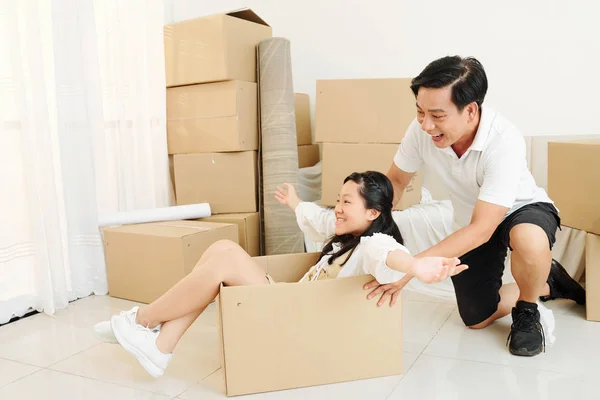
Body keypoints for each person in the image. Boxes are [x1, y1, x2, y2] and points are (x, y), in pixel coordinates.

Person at [95, 171, 468, 377]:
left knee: (225, 258)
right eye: (337, 200)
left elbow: (391, 255)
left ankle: (142, 321)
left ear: (373, 213)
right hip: (289, 300)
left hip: (300, 318)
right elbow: (317, 216)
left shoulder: (372, 245)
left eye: (346, 203)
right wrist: (293, 202)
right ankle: (161, 345)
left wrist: (417, 266)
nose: (337, 209)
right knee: (219, 249)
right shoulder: (344, 236)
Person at [365, 55, 585, 357]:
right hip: (472, 221)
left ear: (470, 111)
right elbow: (396, 181)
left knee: (528, 240)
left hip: (520, 210)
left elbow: (483, 229)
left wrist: (410, 268)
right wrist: (371, 226)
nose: (426, 124)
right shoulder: (420, 131)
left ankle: (528, 308)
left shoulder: (503, 140)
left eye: (437, 116)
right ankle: (549, 282)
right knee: (477, 318)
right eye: (419, 112)